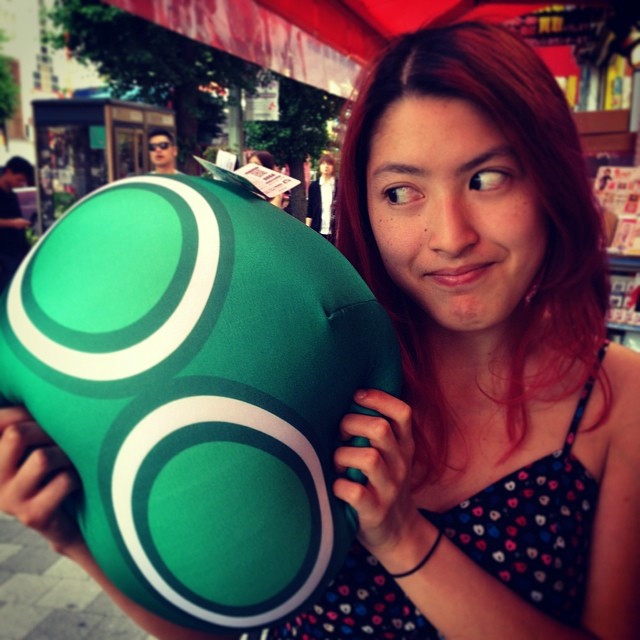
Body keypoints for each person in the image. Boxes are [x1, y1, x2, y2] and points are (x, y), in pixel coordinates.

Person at [0, 21, 639, 640]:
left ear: (551, 180)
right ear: (362, 205)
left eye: (486, 179)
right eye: (400, 192)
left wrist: (403, 538)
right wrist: (74, 538)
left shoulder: (621, 400)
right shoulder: (311, 365)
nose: (450, 236)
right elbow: (223, 625)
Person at [0, 156, 34, 293]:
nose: (20, 184)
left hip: (16, 251)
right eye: (19, 179)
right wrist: (13, 223)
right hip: (3, 254)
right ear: (8, 172)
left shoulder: (12, 195)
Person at [306, 153, 338, 241]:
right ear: (319, 166)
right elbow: (310, 209)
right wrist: (307, 230)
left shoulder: (339, 185)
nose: (326, 166)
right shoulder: (314, 186)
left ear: (333, 167)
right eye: (323, 164)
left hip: (335, 230)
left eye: (329, 164)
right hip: (317, 229)